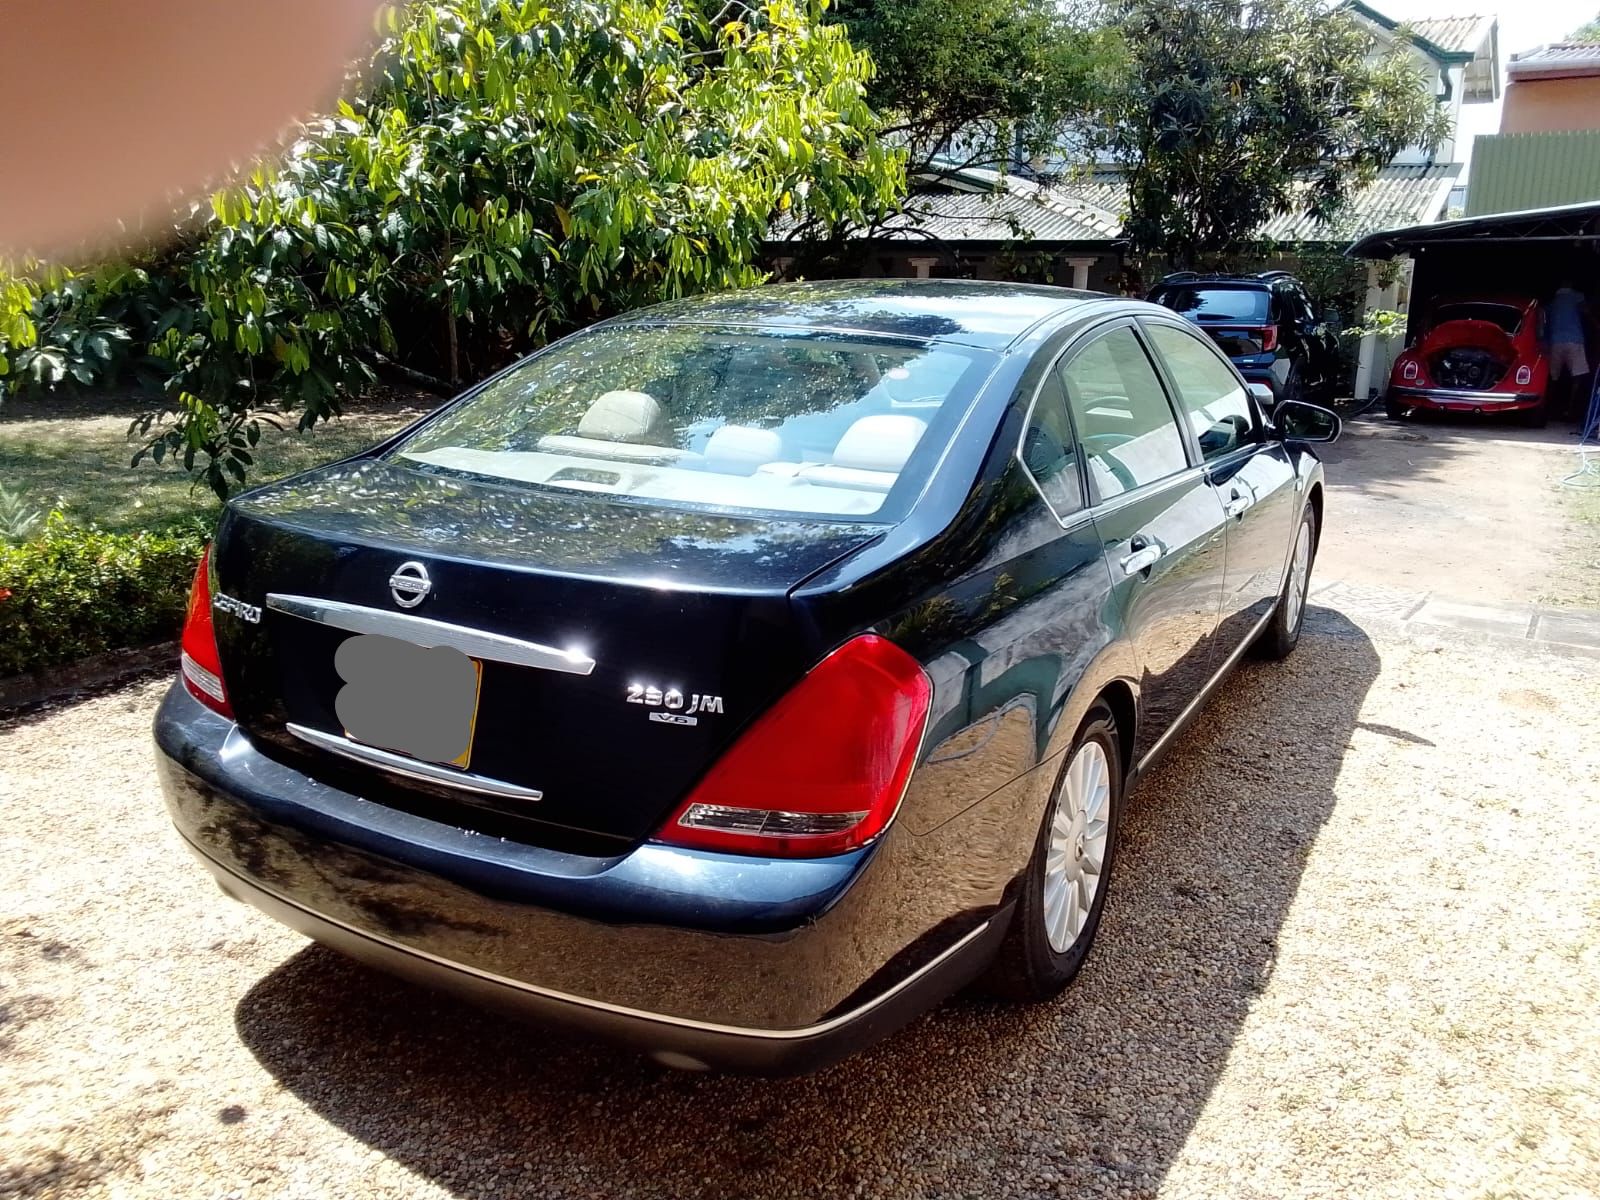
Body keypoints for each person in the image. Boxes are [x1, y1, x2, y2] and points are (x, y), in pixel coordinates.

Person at [1546, 280, 1594, 426]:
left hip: (1555, 341)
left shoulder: (1552, 301)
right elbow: (1586, 312)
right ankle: (1570, 410)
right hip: (1575, 339)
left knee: (1552, 377)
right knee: (1577, 376)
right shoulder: (1578, 296)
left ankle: (1548, 407)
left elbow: (1545, 319)